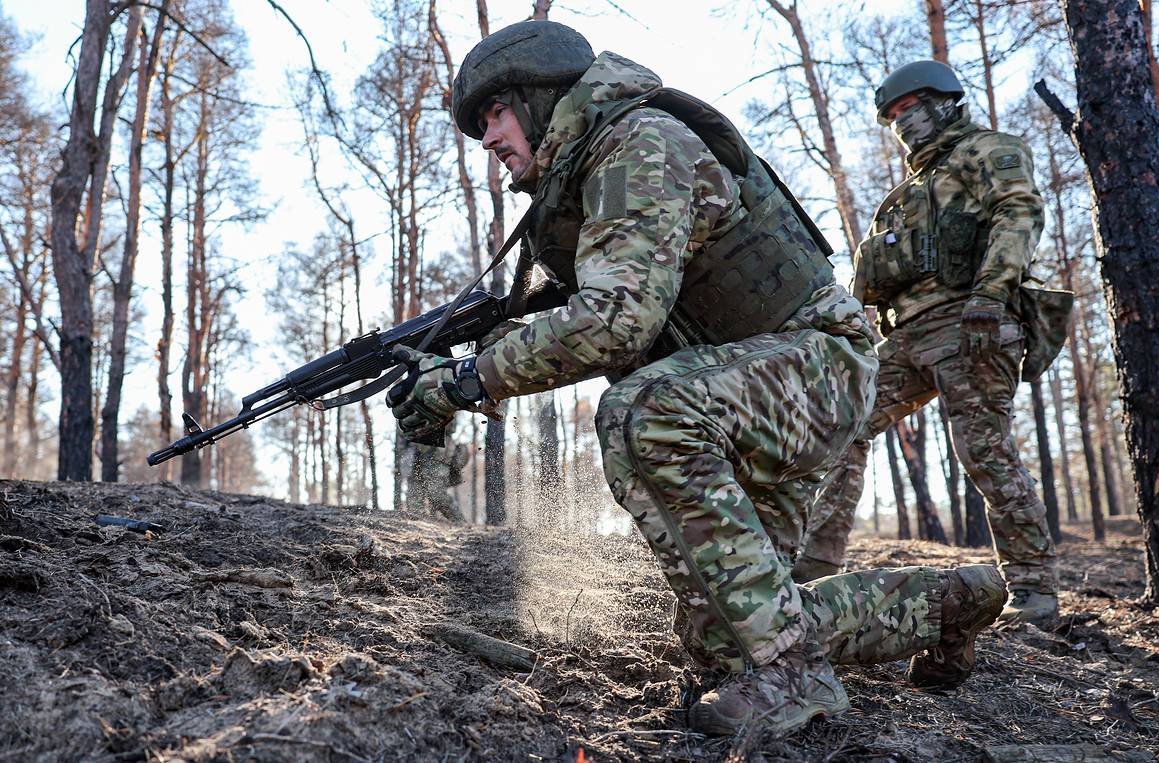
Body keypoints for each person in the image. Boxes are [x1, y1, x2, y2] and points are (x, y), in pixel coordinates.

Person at [387, 22, 1007, 735]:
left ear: (539, 97)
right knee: (733, 634)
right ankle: (950, 603)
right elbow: (612, 321)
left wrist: (466, 380)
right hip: (751, 391)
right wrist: (473, 366)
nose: (488, 138)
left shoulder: (638, 142)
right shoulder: (586, 181)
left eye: (496, 113)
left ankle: (795, 674)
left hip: (815, 367)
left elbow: (616, 321)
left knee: (641, 413)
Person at [798, 60, 1059, 626]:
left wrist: (990, 295)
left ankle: (1034, 590)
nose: (902, 122)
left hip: (972, 322)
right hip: (908, 335)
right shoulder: (906, 193)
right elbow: (873, 275)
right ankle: (813, 565)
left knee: (984, 451)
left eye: (909, 108)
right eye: (893, 115)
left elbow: (1019, 212)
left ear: (943, 101)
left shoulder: (985, 150)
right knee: (844, 423)